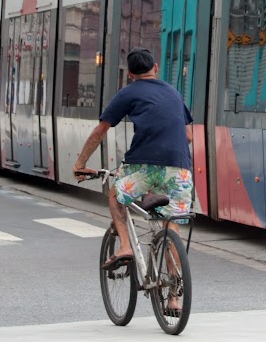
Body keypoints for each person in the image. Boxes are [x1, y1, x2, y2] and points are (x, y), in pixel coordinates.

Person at [74, 47, 193, 277]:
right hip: (179, 168)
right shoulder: (174, 93)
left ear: (130, 74)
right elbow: (188, 136)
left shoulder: (129, 92)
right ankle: (177, 296)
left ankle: (126, 246)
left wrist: (80, 164)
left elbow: (101, 130)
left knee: (115, 195)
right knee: (171, 226)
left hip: (143, 166)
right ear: (155, 68)